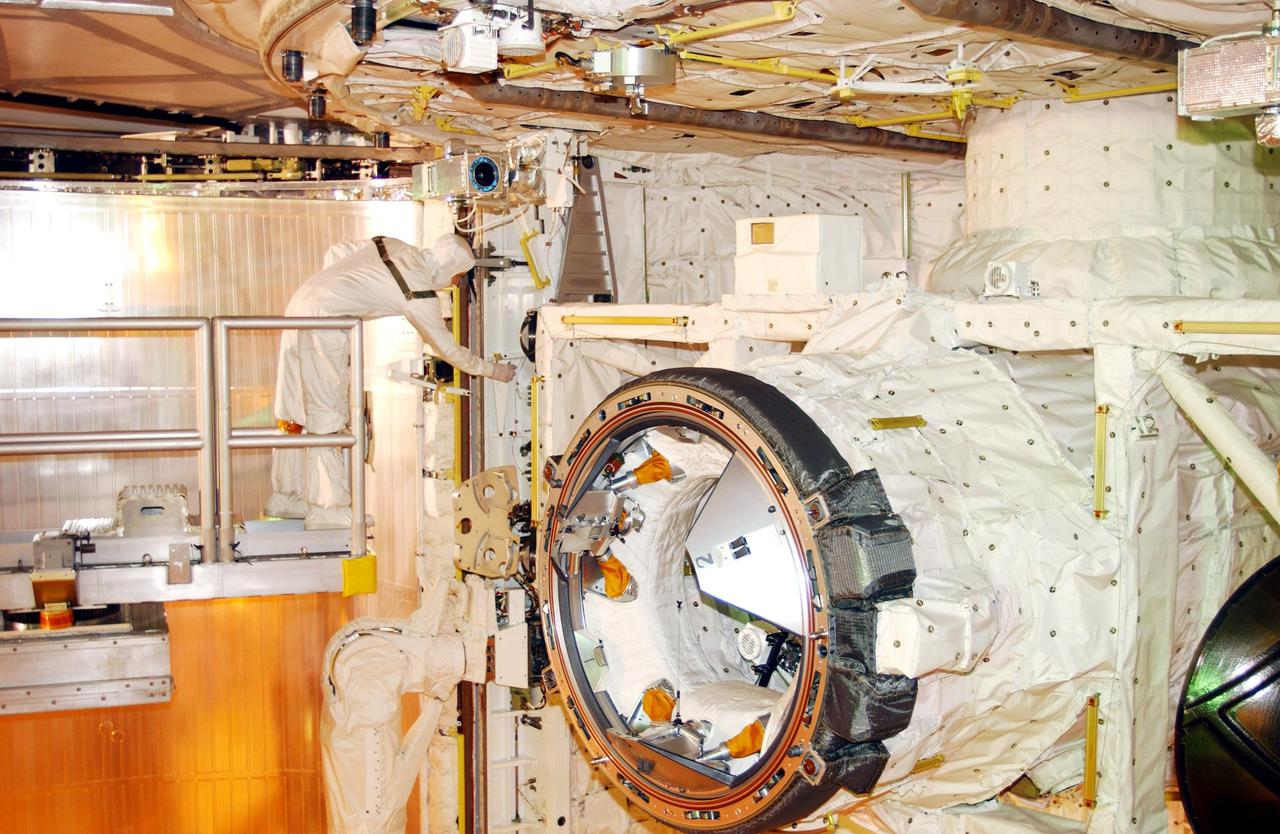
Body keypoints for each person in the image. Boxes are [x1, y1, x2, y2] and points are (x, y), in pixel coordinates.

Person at [266, 233, 516, 527]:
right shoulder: (419, 291)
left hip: (303, 300)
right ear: (449, 267)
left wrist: (339, 290)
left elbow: (339, 249)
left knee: (293, 410)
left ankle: (287, 496)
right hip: (326, 320)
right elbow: (447, 348)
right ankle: (327, 508)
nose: (454, 284)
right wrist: (493, 371)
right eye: (458, 276)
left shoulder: (394, 246)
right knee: (326, 414)